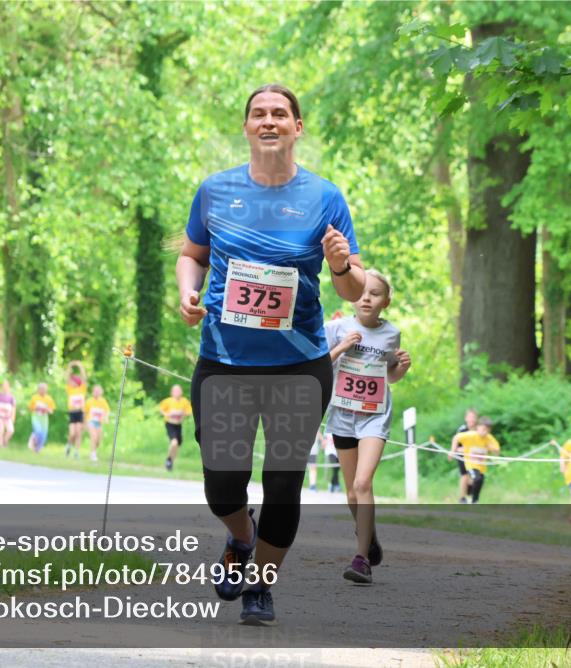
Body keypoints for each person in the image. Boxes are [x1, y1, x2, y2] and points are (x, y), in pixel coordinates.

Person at [177, 83, 364, 624]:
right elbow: (193, 255)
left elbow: (352, 292)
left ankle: (261, 584)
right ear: (246, 127)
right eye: (258, 113)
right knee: (222, 481)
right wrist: (187, 292)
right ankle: (241, 537)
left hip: (298, 366)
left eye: (280, 113)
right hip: (224, 362)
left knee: (284, 481)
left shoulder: (325, 197)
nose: (269, 121)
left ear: (297, 127)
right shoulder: (215, 190)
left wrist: (340, 263)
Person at [324, 269, 411, 583]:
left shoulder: (391, 334)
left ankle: (361, 559)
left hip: (374, 415)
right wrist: (341, 348)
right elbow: (318, 364)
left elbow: (388, 377)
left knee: (363, 484)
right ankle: (368, 534)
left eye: (374, 293)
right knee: (351, 493)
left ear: (385, 302)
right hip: (343, 415)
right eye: (361, 292)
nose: (366, 298)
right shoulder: (337, 328)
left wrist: (401, 368)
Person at [449, 417, 501, 504]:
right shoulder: (471, 435)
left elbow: (497, 451)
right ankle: (471, 499)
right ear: (478, 427)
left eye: (487, 430)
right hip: (471, 464)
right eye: (483, 429)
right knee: (476, 478)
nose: (485, 432)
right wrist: (452, 451)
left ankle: (474, 499)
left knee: (480, 480)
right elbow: (456, 438)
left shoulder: (489, 438)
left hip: (482, 466)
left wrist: (490, 447)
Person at [159, 384, 192, 471]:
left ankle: (170, 462)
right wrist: (168, 414)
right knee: (174, 443)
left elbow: (189, 411)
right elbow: (161, 409)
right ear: (172, 392)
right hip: (170, 424)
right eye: (175, 391)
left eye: (179, 390)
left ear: (181, 392)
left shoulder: (184, 401)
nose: (177, 392)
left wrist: (181, 413)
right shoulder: (168, 401)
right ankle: (169, 460)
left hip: (178, 425)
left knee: (177, 445)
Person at [450, 408, 478, 503]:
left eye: (473, 417)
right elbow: (456, 442)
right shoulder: (462, 429)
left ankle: (470, 492)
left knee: (474, 477)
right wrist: (453, 452)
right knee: (464, 475)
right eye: (469, 417)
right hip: (462, 456)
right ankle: (462, 498)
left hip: (474, 457)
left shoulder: (479, 429)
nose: (471, 419)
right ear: (466, 418)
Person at [307, 428, 341, 493]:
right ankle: (333, 485)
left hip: (314, 447)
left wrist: (322, 440)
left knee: (313, 467)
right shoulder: (327, 429)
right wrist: (323, 440)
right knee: (312, 467)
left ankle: (313, 485)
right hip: (329, 451)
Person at [65, 360, 87, 458]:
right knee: (72, 433)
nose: (71, 382)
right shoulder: (70, 390)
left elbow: (84, 378)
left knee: (78, 432)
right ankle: (69, 445)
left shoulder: (81, 389)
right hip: (72, 412)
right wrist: (70, 366)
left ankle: (76, 451)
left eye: (73, 381)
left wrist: (80, 366)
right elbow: (66, 377)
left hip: (80, 412)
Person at [84, 384, 110, 462]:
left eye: (98, 391)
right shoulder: (89, 401)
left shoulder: (103, 401)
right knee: (94, 436)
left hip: (99, 423)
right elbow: (85, 413)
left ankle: (94, 450)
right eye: (95, 391)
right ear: (92, 392)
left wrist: (106, 418)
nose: (96, 393)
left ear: (101, 393)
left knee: (98, 440)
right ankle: (93, 454)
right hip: (90, 421)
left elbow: (107, 411)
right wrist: (84, 423)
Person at [28, 383, 56, 453]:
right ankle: (32, 440)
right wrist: (36, 408)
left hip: (44, 418)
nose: (43, 391)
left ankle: (37, 449)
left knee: (43, 435)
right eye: (41, 389)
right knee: (38, 431)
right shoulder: (34, 397)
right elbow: (30, 408)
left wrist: (47, 410)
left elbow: (52, 410)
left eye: (45, 389)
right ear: (38, 390)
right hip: (36, 416)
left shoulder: (49, 399)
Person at [0, 380, 16, 448]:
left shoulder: (11, 397)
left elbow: (13, 408)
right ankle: (0, 445)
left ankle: (5, 441)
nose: (5, 387)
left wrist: (13, 416)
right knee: (1, 430)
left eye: (6, 385)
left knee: (10, 430)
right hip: (0, 416)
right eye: (3, 385)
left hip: (8, 417)